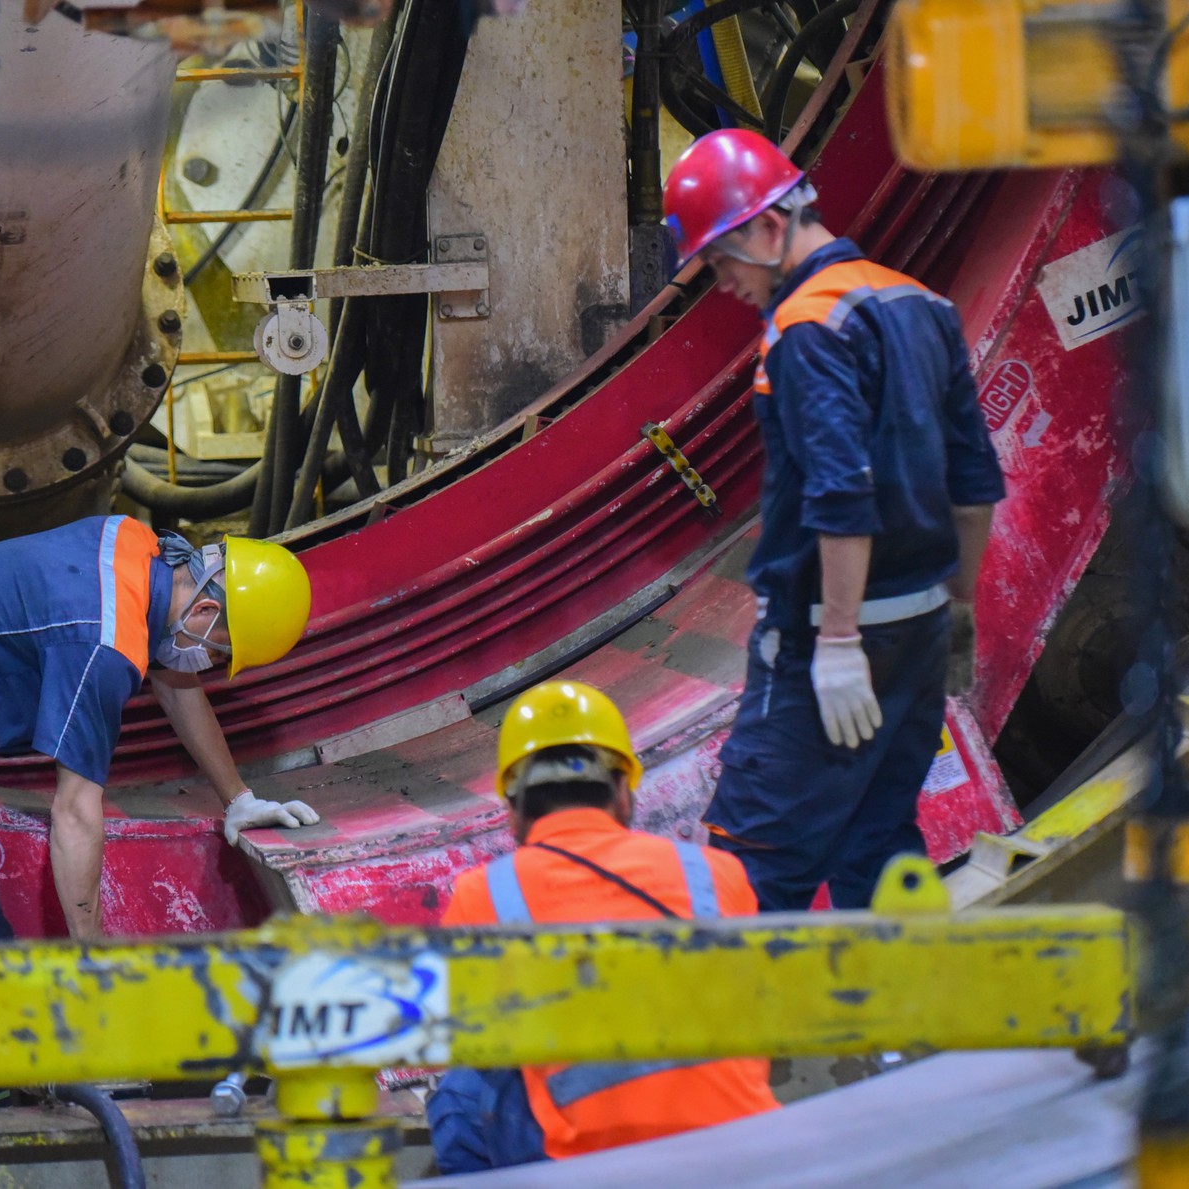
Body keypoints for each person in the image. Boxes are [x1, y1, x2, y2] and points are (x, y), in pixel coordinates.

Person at [661, 128, 1007, 911]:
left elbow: (840, 494)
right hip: (919, 636)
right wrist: (956, 610)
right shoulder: (919, 302)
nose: (722, 283)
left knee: (751, 871)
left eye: (721, 260)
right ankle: (899, 1031)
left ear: (770, 227)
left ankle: (744, 1036)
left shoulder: (806, 329)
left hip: (832, 643)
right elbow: (974, 484)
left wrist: (842, 639)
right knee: (879, 848)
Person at [0, 522, 322, 952]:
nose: (208, 665)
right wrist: (92, 957)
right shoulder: (103, 645)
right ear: (206, 614)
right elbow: (76, 813)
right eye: (218, 654)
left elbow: (174, 682)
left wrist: (239, 799)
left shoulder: (136, 546)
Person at [427, 680, 777, 1173]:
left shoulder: (482, 894)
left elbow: (472, 1040)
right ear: (622, 791)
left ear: (513, 809)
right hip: (744, 1151)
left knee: (462, 1090)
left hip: (596, 1169)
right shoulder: (714, 874)